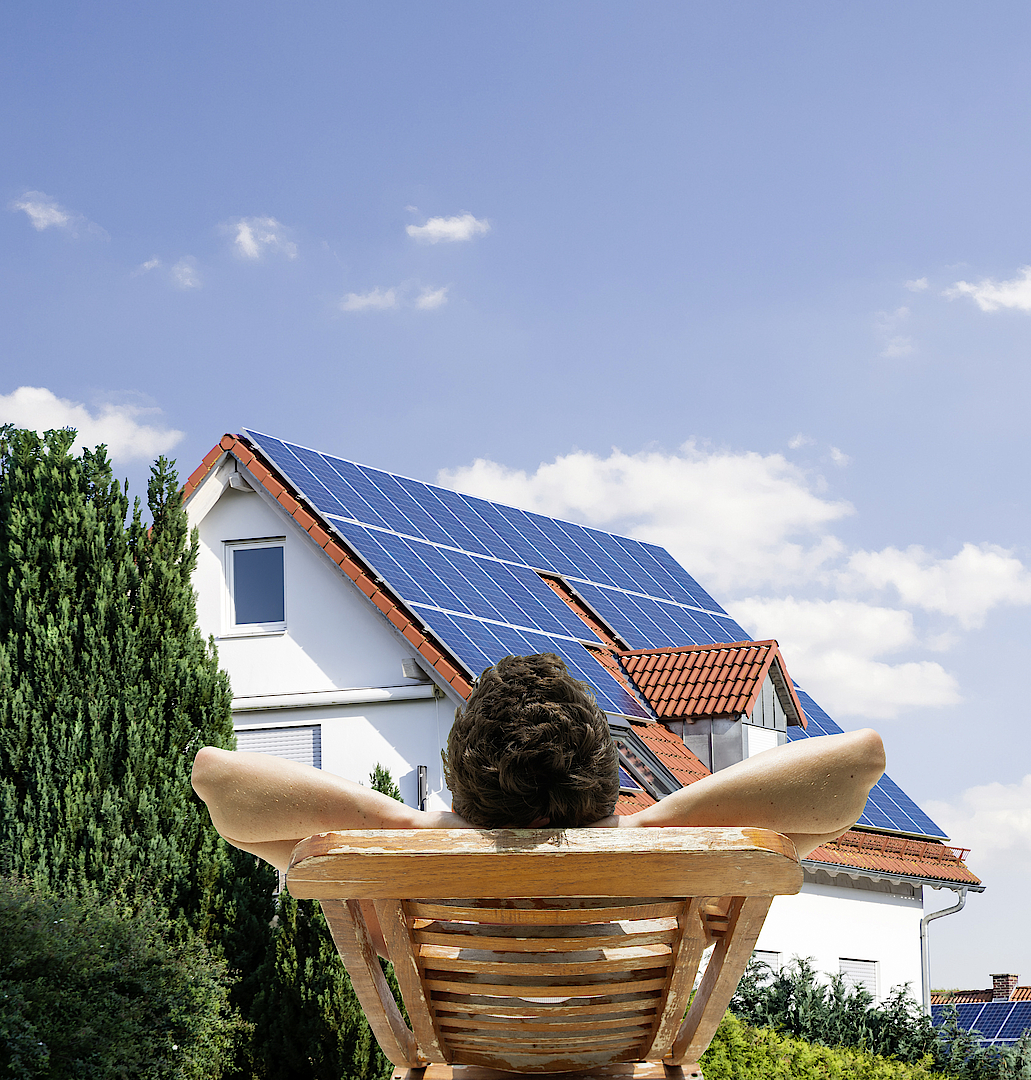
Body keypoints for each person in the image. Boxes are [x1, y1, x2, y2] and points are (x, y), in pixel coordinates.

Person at [192, 652, 886, 872]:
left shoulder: (408, 871)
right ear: (603, 768)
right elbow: (858, 758)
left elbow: (216, 775)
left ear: (463, 775)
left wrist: (415, 826)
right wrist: (655, 824)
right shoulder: (666, 865)